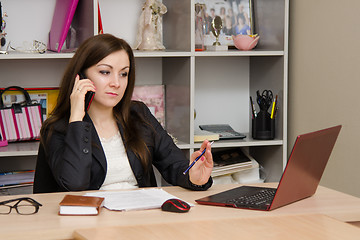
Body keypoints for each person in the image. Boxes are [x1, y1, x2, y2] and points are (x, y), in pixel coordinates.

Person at [33, 34, 213, 193]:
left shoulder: (138, 113)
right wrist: (76, 119)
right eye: (105, 72)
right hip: (89, 223)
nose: (116, 83)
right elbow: (75, 184)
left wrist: (193, 176)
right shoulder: (58, 128)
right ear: (80, 76)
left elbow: (174, 164)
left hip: (140, 218)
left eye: (123, 74)